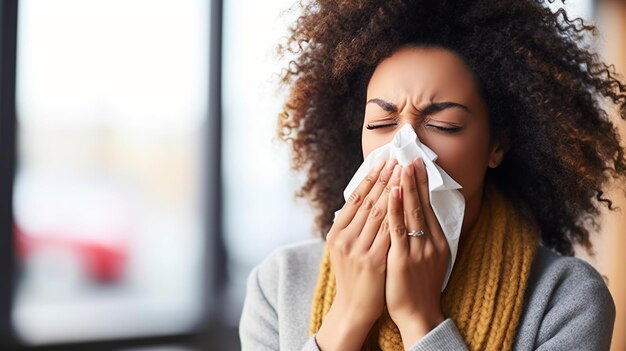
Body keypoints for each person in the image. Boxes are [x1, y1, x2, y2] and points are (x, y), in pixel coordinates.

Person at [239, 0, 625, 350]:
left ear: (497, 146)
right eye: (381, 123)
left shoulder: (566, 300)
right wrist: (349, 314)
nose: (406, 150)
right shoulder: (278, 283)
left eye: (444, 124)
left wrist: (419, 317)